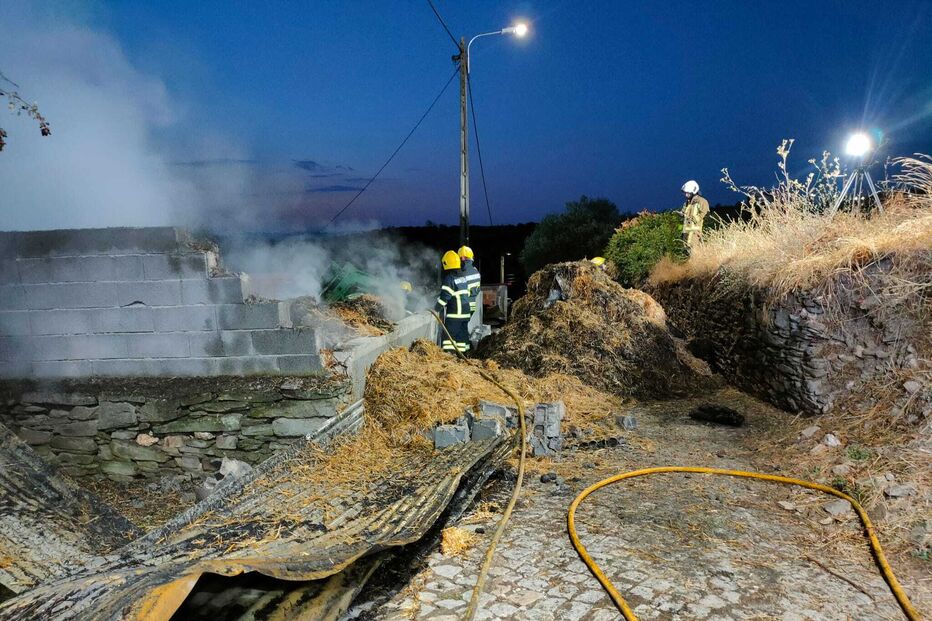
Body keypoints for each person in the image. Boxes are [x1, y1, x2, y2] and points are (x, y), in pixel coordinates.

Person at [435, 251, 472, 354]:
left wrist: (436, 308)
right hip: (465, 312)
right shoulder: (462, 277)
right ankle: (464, 356)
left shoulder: (449, 279)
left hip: (456, 313)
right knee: (462, 336)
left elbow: (444, 297)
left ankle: (449, 357)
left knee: (448, 337)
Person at [680, 180, 710, 250]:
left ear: (693, 191)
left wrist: (695, 219)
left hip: (696, 232)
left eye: (688, 193)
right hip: (686, 231)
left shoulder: (702, 201)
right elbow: (684, 214)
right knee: (687, 250)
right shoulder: (687, 203)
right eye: (685, 193)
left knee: (695, 250)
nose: (686, 195)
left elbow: (706, 215)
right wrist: (681, 214)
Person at [458, 245, 481, 315]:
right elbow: (478, 290)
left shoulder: (461, 273)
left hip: (462, 306)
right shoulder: (476, 271)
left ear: (463, 257)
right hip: (472, 306)